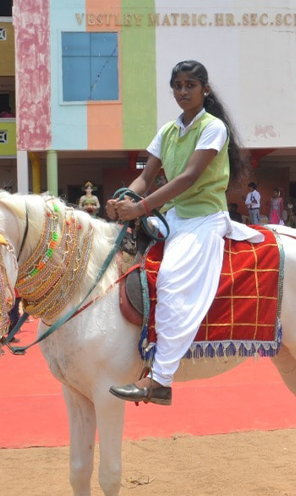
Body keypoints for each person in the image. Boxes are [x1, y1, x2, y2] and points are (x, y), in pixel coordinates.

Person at [105, 60, 259, 407]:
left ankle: (160, 380)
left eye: (190, 85)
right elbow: (146, 177)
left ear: (205, 89)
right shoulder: (168, 131)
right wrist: (123, 198)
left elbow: (188, 177)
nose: (183, 92)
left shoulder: (213, 127)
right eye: (177, 85)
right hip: (175, 217)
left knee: (171, 281)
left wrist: (140, 208)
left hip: (204, 219)